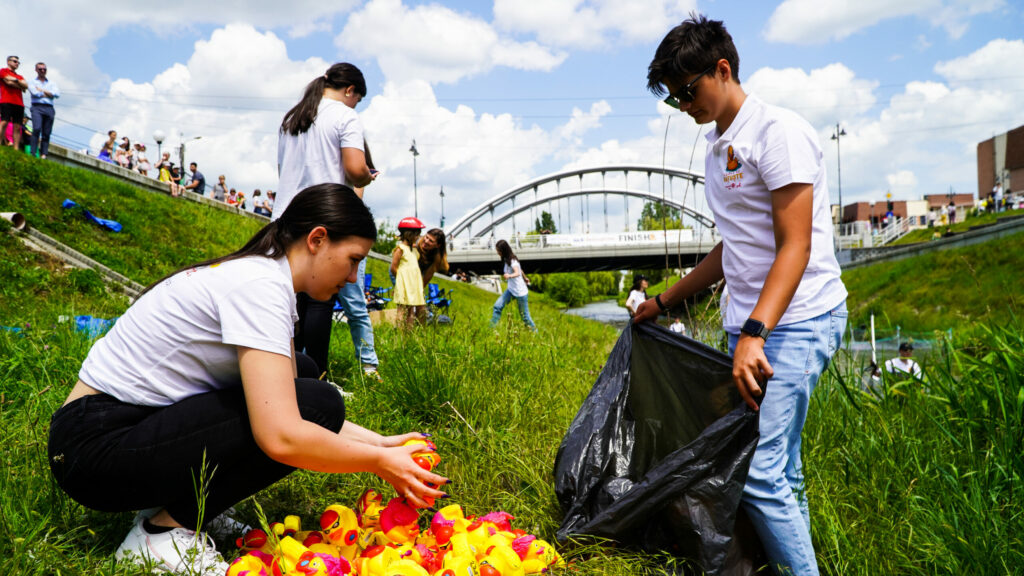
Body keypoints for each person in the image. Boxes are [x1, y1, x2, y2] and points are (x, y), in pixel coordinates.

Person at [47, 184, 448, 576]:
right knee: (316, 400)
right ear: (318, 239)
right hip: (94, 452)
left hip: (115, 431)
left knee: (304, 376)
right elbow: (284, 434)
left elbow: (289, 402)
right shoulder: (260, 287)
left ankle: (187, 509)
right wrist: (379, 462)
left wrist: (380, 443)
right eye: (353, 259)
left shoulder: (266, 277)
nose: (352, 276)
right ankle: (159, 533)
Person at [637, 16, 847, 575]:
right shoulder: (716, 148)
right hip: (751, 327)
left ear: (722, 69)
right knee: (782, 468)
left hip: (797, 320)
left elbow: (795, 245)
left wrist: (755, 333)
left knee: (758, 471)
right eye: (674, 99)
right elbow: (731, 251)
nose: (684, 106)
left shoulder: (776, 132)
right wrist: (662, 302)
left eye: (689, 91)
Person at [276, 62, 380, 380]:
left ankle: (289, 374)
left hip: (285, 216)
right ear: (350, 90)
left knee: (291, 301)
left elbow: (282, 169)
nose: (355, 104)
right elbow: (353, 168)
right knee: (320, 299)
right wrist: (368, 175)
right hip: (324, 213)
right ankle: (316, 378)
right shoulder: (345, 116)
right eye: (357, 98)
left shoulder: (292, 117)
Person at [490, 239, 536, 331]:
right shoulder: (507, 259)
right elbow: (520, 270)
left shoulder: (513, 260)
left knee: (525, 317)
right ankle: (491, 328)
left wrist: (509, 275)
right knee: (497, 306)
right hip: (511, 290)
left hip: (520, 292)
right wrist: (525, 278)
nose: (497, 252)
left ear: (503, 250)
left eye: (498, 250)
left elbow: (517, 272)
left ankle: (536, 332)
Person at [391, 217, 426, 328]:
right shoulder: (400, 249)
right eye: (417, 234)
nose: (418, 237)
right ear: (408, 234)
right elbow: (393, 267)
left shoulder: (414, 249)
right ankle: (400, 335)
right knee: (402, 310)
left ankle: (409, 335)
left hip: (413, 284)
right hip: (404, 283)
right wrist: (401, 280)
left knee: (411, 311)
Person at [28, 61, 59, 158]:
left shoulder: (52, 83)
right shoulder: (32, 82)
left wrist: (42, 90)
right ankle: (33, 152)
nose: (42, 71)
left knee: (46, 132)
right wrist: (49, 94)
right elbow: (34, 93)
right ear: (36, 70)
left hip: (49, 108)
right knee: (36, 128)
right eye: (40, 69)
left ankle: (44, 153)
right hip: (37, 107)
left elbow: (56, 94)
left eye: (44, 69)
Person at [0, 55, 28, 151]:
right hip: (6, 101)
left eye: (18, 62)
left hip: (19, 103)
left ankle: (16, 149)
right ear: (8, 62)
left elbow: (26, 85)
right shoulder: (3, 71)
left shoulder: (19, 76)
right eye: (15, 61)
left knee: (17, 126)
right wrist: (20, 85)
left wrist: (16, 80)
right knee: (4, 122)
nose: (17, 64)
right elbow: (8, 82)